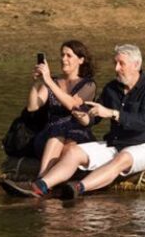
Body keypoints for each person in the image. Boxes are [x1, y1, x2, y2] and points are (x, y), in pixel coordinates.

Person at [29, 44, 145, 200]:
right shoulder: (111, 88)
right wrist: (80, 113)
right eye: (115, 63)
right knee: (75, 152)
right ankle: (41, 185)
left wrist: (113, 114)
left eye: (121, 64)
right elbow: (92, 119)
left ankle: (78, 187)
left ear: (136, 65)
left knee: (124, 157)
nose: (116, 68)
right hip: (116, 144)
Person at [28, 41, 97, 176]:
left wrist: (49, 82)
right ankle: (42, 178)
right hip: (50, 136)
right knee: (57, 134)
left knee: (70, 145)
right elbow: (32, 106)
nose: (63, 59)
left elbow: (72, 104)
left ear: (81, 60)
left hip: (77, 134)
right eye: (62, 55)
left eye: (68, 56)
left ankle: (45, 181)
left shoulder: (88, 84)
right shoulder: (51, 81)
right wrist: (38, 82)